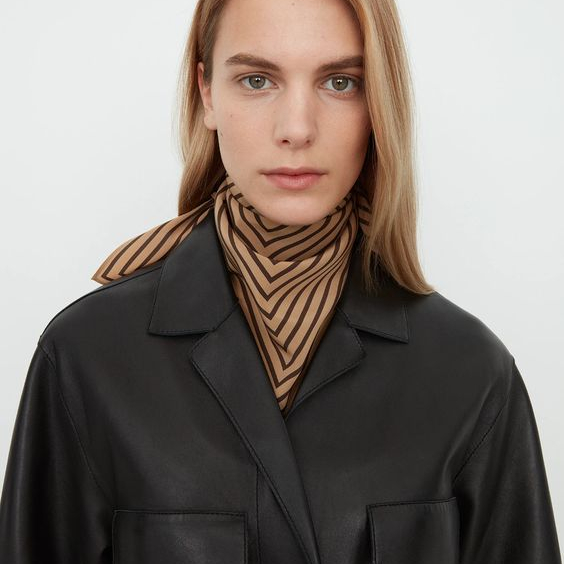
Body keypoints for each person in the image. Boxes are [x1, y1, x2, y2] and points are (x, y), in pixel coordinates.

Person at [0, 0, 561, 562]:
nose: (297, 129)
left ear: (379, 102)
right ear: (206, 93)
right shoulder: (88, 356)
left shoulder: (469, 371)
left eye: (340, 82)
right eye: (257, 80)